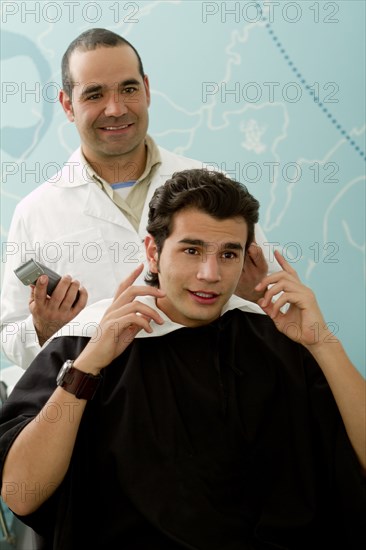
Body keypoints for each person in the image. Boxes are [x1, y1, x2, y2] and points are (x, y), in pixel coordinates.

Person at [0, 169, 364, 550]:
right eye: (192, 250)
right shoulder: (86, 342)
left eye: (228, 254)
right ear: (153, 253)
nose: (210, 274)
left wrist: (323, 344)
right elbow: (21, 494)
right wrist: (89, 365)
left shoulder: (277, 342)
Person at [0, 28, 272, 371]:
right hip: (101, 407)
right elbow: (10, 338)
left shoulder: (217, 190)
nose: (115, 109)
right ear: (68, 105)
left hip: (212, 393)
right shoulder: (35, 212)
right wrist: (44, 329)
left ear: (146, 90)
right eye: (94, 94)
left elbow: (268, 296)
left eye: (128, 89)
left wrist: (255, 295)